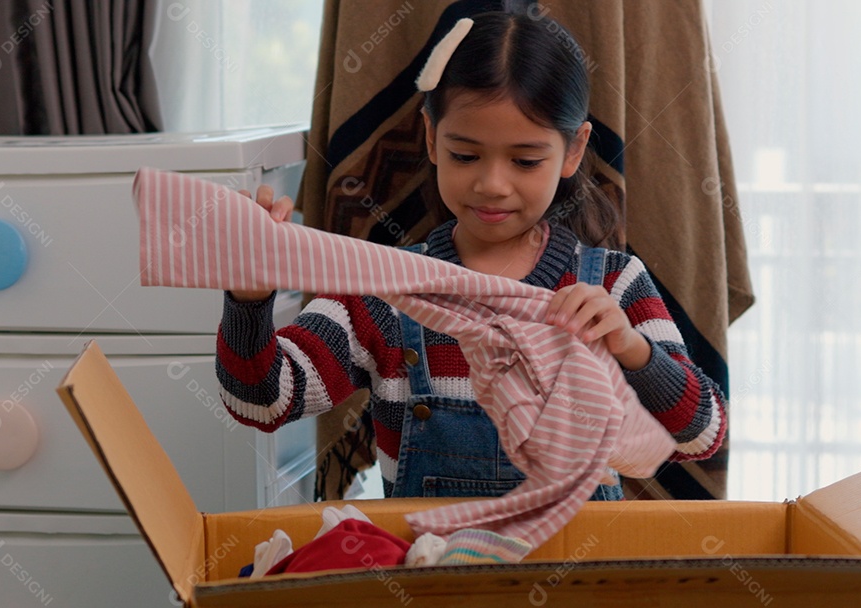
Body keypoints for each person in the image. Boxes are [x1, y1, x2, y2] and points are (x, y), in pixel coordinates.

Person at [216, 11, 726, 501]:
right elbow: (262, 402)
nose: (492, 184)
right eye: (466, 155)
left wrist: (632, 351)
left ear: (574, 150)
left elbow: (701, 435)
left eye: (525, 161)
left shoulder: (616, 283)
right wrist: (248, 298)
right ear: (432, 137)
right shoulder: (384, 290)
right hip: (435, 583)